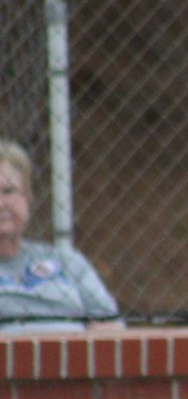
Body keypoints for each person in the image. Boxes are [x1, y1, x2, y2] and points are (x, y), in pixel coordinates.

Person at [0, 139, 122, 333]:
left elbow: (110, 325)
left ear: (28, 197)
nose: (1, 204)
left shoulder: (66, 261)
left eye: (9, 191)